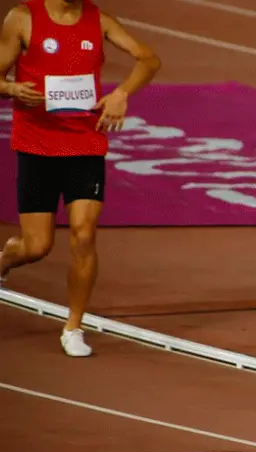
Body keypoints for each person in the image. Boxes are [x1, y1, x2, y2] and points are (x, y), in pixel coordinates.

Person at [0, 0, 161, 356]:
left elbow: (149, 59)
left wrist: (121, 93)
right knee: (36, 247)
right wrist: (12, 89)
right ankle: (5, 260)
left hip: (85, 144)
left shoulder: (99, 20)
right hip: (36, 144)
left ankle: (74, 327)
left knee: (84, 234)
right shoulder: (23, 18)